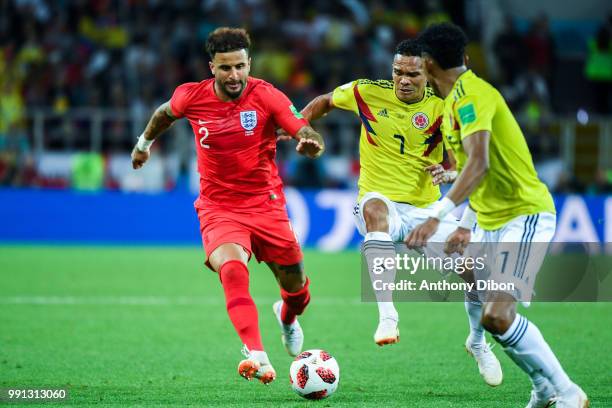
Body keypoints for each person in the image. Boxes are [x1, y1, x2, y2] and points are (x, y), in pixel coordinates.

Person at [281, 39, 501, 387]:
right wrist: (299, 124)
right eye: (398, 72)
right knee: (375, 213)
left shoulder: (445, 107)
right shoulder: (366, 92)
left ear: (427, 72)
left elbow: (463, 160)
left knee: (475, 272)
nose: (403, 80)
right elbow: (325, 102)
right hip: (379, 197)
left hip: (427, 209)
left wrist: (451, 173)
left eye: (412, 74)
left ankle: (476, 340)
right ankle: (388, 316)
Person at [131, 27, 325, 385]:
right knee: (233, 269)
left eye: (240, 66)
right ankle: (257, 354)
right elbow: (163, 114)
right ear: (212, 67)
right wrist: (143, 143)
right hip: (219, 207)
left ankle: (286, 314)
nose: (234, 75)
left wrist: (310, 142)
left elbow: (301, 126)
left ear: (249, 63)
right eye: (225, 68)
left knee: (297, 288)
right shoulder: (191, 97)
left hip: (266, 204)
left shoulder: (266, 95)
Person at [409, 22, 588, 407]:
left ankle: (568, 392)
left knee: (498, 314)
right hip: (492, 220)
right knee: (490, 308)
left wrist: (438, 216)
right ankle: (541, 389)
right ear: (465, 58)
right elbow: (475, 169)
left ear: (426, 63)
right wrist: (468, 216)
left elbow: (480, 164)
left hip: (522, 215)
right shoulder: (455, 99)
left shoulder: (472, 96)